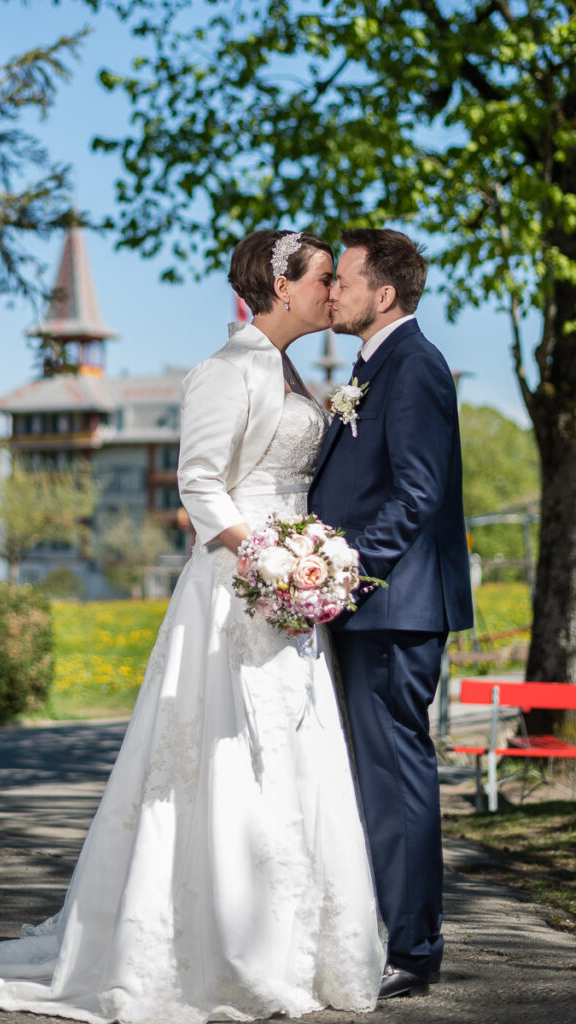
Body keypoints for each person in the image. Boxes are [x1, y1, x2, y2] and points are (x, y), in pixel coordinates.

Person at [0, 229, 386, 1023]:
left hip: (291, 595)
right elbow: (199, 484)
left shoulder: (291, 372)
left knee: (294, 758)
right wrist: (268, 557)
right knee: (224, 760)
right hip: (238, 592)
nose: (331, 289)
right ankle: (218, 942)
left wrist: (310, 563)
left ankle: (296, 940)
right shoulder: (223, 371)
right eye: (321, 278)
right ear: (279, 287)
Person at [308, 228, 474, 1000]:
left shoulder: (414, 367)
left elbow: (416, 492)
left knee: (394, 778)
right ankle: (383, 929)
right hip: (371, 609)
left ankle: (412, 948)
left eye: (341, 279)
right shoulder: (374, 366)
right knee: (370, 780)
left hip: (390, 610)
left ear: (383, 294)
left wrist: (342, 576)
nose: (330, 290)